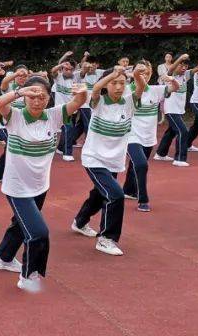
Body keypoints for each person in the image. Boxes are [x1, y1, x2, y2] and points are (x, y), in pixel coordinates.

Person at [0, 76, 87, 293]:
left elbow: (78, 102)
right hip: (17, 187)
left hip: (40, 185)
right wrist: (20, 92)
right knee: (38, 232)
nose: (37, 101)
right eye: (32, 97)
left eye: (42, 97)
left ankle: (3, 257)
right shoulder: (15, 116)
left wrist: (82, 91)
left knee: (20, 224)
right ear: (25, 98)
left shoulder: (54, 116)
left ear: (49, 99)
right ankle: (28, 275)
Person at [70, 65, 145, 256]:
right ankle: (106, 238)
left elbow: (140, 88)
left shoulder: (129, 102)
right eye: (114, 83)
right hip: (94, 158)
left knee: (99, 194)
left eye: (122, 83)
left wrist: (136, 75)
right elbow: (95, 90)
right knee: (115, 195)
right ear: (106, 85)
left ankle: (80, 221)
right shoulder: (99, 101)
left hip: (114, 160)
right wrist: (113, 74)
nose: (119, 87)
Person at [122, 61, 178, 212]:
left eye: (146, 72)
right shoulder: (125, 90)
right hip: (130, 135)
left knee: (137, 164)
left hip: (148, 137)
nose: (143, 75)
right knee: (141, 165)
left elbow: (175, 88)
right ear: (133, 74)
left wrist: (171, 79)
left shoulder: (156, 90)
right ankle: (143, 199)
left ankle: (128, 189)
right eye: (140, 72)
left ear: (151, 74)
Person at [154, 55, 194, 166]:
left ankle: (160, 154)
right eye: (181, 65)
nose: (184, 68)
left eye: (186, 66)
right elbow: (171, 69)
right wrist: (180, 58)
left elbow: (197, 69)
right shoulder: (170, 75)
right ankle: (180, 159)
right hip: (170, 110)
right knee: (183, 131)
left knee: (171, 132)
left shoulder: (185, 75)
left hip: (179, 110)